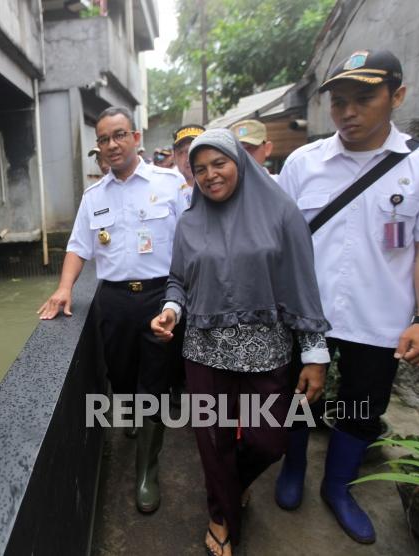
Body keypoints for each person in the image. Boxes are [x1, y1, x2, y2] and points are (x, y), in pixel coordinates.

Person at [274, 49, 419, 545]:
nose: (348, 111)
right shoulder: (304, 163)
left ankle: (338, 487)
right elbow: (279, 242)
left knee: (363, 407)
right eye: (339, 101)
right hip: (308, 316)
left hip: (381, 317)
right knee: (297, 399)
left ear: (398, 96)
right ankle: (293, 470)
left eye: (364, 98)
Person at [151, 129, 330, 556]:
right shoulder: (189, 222)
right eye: (199, 169)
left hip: (266, 351)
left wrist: (314, 352)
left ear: (241, 163)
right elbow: (178, 279)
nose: (210, 176)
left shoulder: (281, 213)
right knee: (213, 440)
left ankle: (232, 485)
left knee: (271, 440)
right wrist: (171, 310)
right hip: (203, 351)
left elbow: (302, 283)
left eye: (219, 164)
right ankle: (221, 515)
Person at [38, 106, 185, 513]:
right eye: (104, 139)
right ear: (98, 148)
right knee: (120, 375)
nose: (112, 145)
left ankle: (146, 473)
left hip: (159, 297)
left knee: (154, 383)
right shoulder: (94, 196)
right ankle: (132, 415)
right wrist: (64, 288)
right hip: (114, 300)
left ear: (136, 137)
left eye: (119, 135)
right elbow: (78, 247)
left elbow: (193, 241)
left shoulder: (170, 184)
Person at [173, 124, 206, 209]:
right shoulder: (166, 191)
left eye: (196, 150)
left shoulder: (221, 188)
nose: (189, 158)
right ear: (175, 157)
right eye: (183, 152)